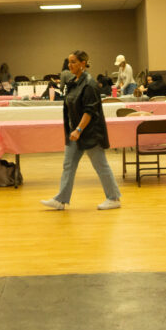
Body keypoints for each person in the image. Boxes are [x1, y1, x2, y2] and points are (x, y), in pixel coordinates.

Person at [40, 50, 122, 211]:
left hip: (89, 132)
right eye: (69, 62)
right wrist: (74, 129)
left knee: (101, 165)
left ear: (83, 63)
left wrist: (78, 129)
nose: (69, 65)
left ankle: (113, 198)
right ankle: (61, 200)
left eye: (73, 62)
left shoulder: (90, 84)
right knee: (68, 165)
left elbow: (89, 111)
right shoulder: (74, 81)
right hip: (75, 132)